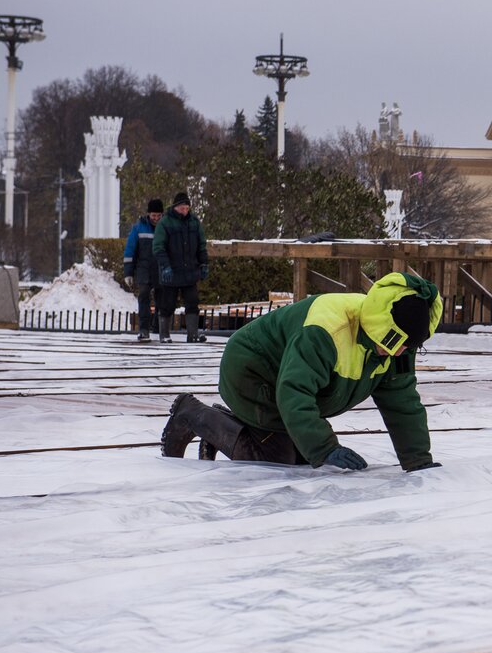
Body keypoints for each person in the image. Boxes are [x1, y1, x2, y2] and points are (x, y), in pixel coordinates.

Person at [160, 271, 444, 472]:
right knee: (278, 459)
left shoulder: (396, 347)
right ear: (381, 327)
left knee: (303, 458)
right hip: (251, 372)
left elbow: (402, 404)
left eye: (406, 348)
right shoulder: (328, 331)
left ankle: (222, 425)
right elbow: (294, 393)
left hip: (284, 380)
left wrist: (418, 461)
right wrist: (324, 448)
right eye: (393, 343)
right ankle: (193, 414)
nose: (397, 354)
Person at [152, 191, 208, 343]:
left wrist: (203, 263)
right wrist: (165, 266)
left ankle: (193, 334)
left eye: (187, 208)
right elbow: (158, 247)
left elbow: (201, 245)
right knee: (167, 304)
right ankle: (164, 334)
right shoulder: (165, 223)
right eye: (183, 207)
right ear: (176, 207)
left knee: (192, 302)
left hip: (190, 271)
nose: (185, 210)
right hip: (171, 272)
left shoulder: (194, 222)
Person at [123, 198, 164, 342]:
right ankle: (144, 329)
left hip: (161, 269)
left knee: (163, 298)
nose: (156, 219)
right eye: (154, 216)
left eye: (159, 216)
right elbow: (130, 250)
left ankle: (159, 328)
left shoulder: (166, 227)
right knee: (144, 296)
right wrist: (128, 272)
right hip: (144, 268)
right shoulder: (139, 227)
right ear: (148, 214)